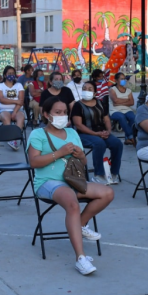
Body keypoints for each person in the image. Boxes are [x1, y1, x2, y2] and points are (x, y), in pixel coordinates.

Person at [27, 96, 114, 275]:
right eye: (57, 112)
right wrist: (59, 153)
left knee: (107, 193)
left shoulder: (72, 133)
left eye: (65, 112)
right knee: (72, 202)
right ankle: (80, 258)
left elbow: (82, 162)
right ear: (46, 114)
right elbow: (34, 163)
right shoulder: (38, 134)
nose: (62, 116)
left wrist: (80, 154)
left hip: (72, 179)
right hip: (47, 182)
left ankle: (80, 225)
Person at [71, 81, 123, 185]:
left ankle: (113, 173)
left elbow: (106, 119)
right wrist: (96, 134)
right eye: (84, 88)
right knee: (99, 143)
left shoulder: (100, 103)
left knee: (117, 143)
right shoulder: (78, 105)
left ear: (95, 93)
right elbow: (78, 125)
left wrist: (108, 131)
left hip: (102, 132)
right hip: (84, 134)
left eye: (90, 89)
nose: (86, 91)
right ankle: (98, 174)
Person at [0, 65, 26, 150]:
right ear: (5, 75)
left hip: (17, 109)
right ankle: (10, 138)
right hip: (3, 109)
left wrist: (15, 112)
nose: (11, 75)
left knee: (21, 118)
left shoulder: (19, 85)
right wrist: (15, 101)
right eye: (9, 73)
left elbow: (21, 100)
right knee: (6, 118)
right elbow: (1, 99)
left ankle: (15, 138)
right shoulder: (0, 86)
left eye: (13, 73)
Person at [109, 73, 136, 145]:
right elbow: (115, 101)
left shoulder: (128, 91)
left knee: (133, 117)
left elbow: (132, 102)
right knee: (121, 117)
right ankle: (131, 137)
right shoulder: (112, 89)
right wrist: (126, 100)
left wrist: (119, 101)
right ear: (116, 80)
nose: (123, 80)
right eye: (121, 79)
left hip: (127, 109)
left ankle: (127, 139)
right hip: (115, 110)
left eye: (124, 79)